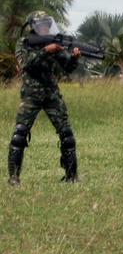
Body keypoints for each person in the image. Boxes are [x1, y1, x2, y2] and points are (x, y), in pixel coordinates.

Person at [7, 11, 83, 186]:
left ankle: (72, 177)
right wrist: (44, 51)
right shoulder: (24, 43)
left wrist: (74, 57)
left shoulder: (53, 43)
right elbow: (26, 64)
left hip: (51, 94)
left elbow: (68, 67)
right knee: (19, 135)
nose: (46, 27)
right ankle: (13, 178)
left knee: (67, 134)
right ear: (33, 25)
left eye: (48, 23)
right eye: (42, 23)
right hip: (31, 96)